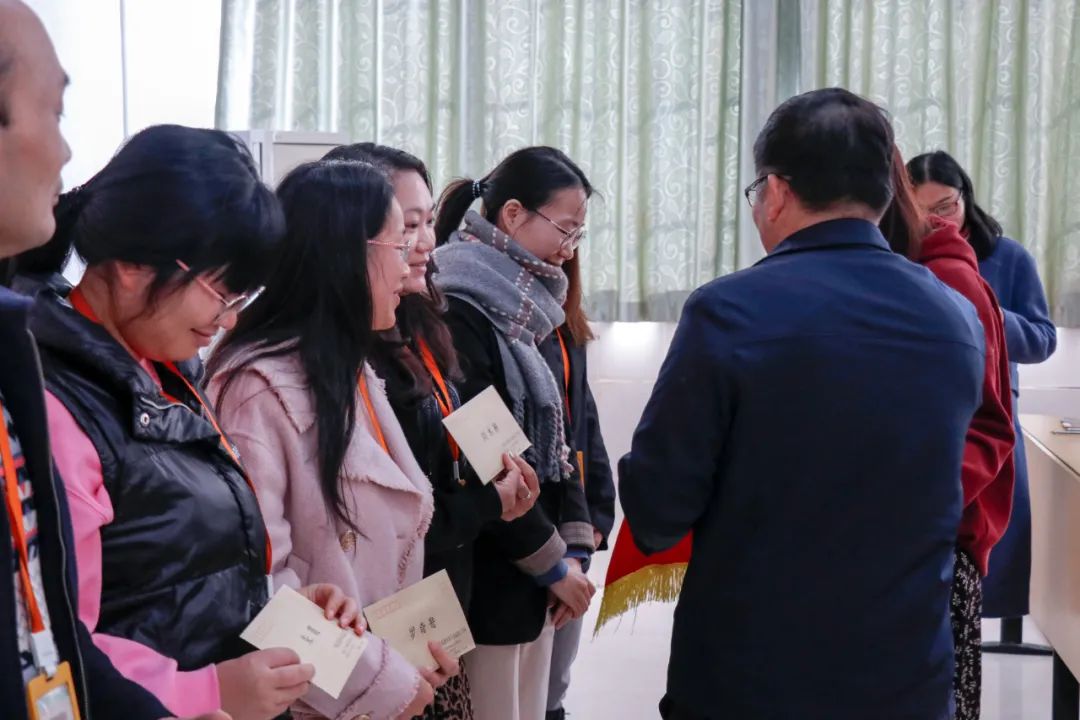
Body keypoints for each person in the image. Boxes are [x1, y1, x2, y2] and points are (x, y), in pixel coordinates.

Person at [619, 88, 987, 720]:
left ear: (776, 191)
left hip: (749, 680)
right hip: (906, 678)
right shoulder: (955, 318)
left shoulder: (728, 312)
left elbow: (658, 508)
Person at [13, 125, 365, 720]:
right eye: (221, 291)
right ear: (133, 264)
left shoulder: (164, 370)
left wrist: (274, 608)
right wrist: (205, 690)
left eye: (241, 297)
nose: (228, 320)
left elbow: (170, 574)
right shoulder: (56, 409)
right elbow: (56, 637)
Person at [0, 3, 233, 718]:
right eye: (55, 111)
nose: (68, 153)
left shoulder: (24, 346)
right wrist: (204, 691)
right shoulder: (59, 383)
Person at [208, 159, 467, 720]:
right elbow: (261, 583)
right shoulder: (258, 390)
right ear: (347, 254)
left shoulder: (351, 371)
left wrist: (410, 662)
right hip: (311, 699)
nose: (409, 264)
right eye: (399, 243)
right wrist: (382, 682)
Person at [324, 143, 541, 720]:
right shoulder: (337, 359)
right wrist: (490, 504)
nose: (423, 243)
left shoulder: (420, 321)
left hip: (437, 604)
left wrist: (507, 484)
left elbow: (463, 432)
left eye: (425, 223)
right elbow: (387, 519)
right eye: (406, 227)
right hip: (375, 626)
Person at [432, 146, 597, 720]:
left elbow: (564, 437)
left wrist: (573, 552)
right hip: (492, 567)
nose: (570, 248)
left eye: (578, 234)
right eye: (566, 229)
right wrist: (551, 564)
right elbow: (490, 453)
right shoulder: (459, 305)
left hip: (540, 569)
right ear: (512, 214)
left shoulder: (533, 307)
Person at [883, 147, 1016, 720]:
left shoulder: (948, 278)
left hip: (936, 534)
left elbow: (986, 425)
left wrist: (921, 504)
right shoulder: (911, 269)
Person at [908, 150, 1057, 627]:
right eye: (922, 210)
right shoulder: (902, 256)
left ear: (965, 198)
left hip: (992, 417)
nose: (937, 220)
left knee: (993, 540)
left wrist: (983, 310)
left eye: (946, 206)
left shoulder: (1006, 257)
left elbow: (1042, 339)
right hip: (926, 417)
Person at [541, 252, 615, 720]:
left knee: (554, 682)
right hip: (531, 532)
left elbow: (585, 424)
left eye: (576, 233)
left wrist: (595, 519)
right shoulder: (500, 323)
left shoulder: (567, 328)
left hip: (571, 529)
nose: (567, 248)